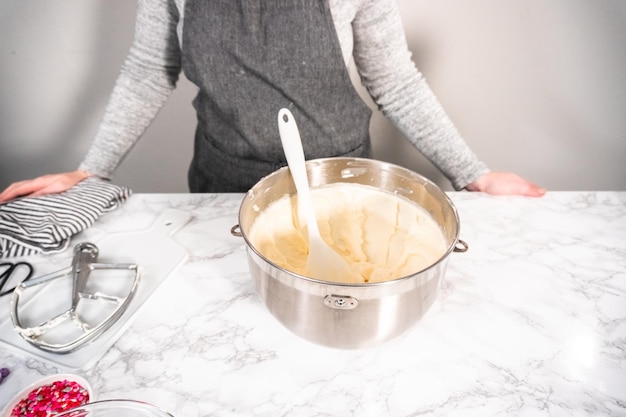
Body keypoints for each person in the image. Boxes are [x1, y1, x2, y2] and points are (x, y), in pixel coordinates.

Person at [0, 0, 545, 203]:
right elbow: (149, 69)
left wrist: (472, 173)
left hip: (342, 184)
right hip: (225, 189)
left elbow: (395, 79)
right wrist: (89, 172)